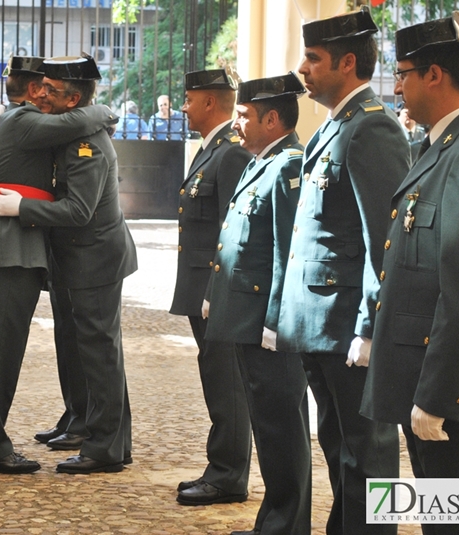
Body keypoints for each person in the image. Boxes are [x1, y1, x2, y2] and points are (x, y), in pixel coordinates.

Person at [275, 7, 410, 534]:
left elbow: (385, 239)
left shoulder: (372, 129)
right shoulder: (337, 126)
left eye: (313, 58)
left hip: (349, 329)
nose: (303, 69)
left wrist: (369, 329)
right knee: (341, 451)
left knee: (370, 457)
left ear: (348, 62)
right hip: (321, 327)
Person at [0, 55, 118, 473]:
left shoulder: (18, 121)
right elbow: (76, 122)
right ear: (32, 90)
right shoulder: (24, 120)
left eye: (54, 89)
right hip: (6, 249)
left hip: (6, 247)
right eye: (43, 87)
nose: (45, 94)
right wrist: (102, 111)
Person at [361, 13, 459, 534]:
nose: (396, 85)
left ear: (435, 74)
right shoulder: (436, 146)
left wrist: (437, 393)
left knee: (451, 519)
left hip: (447, 396)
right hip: (419, 376)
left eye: (403, 72)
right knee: (433, 513)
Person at [205, 72, 311, 535]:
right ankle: (275, 521)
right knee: (269, 430)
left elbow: (289, 252)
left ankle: (287, 526)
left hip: (267, 328)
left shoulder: (289, 164)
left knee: (283, 432)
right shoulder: (260, 161)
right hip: (247, 320)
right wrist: (216, 294)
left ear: (272, 118)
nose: (238, 122)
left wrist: (275, 322)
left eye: (245, 115)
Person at [169, 68, 252, 507]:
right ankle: (220, 468)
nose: (183, 107)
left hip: (214, 292)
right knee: (216, 379)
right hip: (201, 291)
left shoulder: (230, 154)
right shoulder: (211, 150)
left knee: (227, 385)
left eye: (188, 99)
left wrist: (215, 291)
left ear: (209, 102)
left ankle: (228, 476)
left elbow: (230, 231)